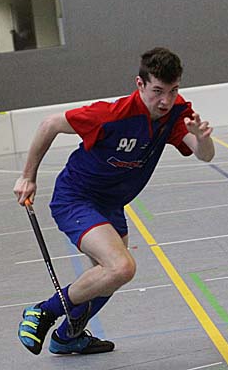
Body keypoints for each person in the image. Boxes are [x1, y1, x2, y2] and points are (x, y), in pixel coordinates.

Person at [13, 47, 215, 355]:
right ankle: (44, 311)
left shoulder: (174, 114)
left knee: (107, 278)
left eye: (173, 91)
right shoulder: (111, 115)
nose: (165, 100)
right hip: (76, 197)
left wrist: (202, 138)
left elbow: (205, 155)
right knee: (121, 267)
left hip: (111, 205)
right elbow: (49, 124)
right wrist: (28, 177)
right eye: (158, 91)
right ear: (140, 84)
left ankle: (67, 336)